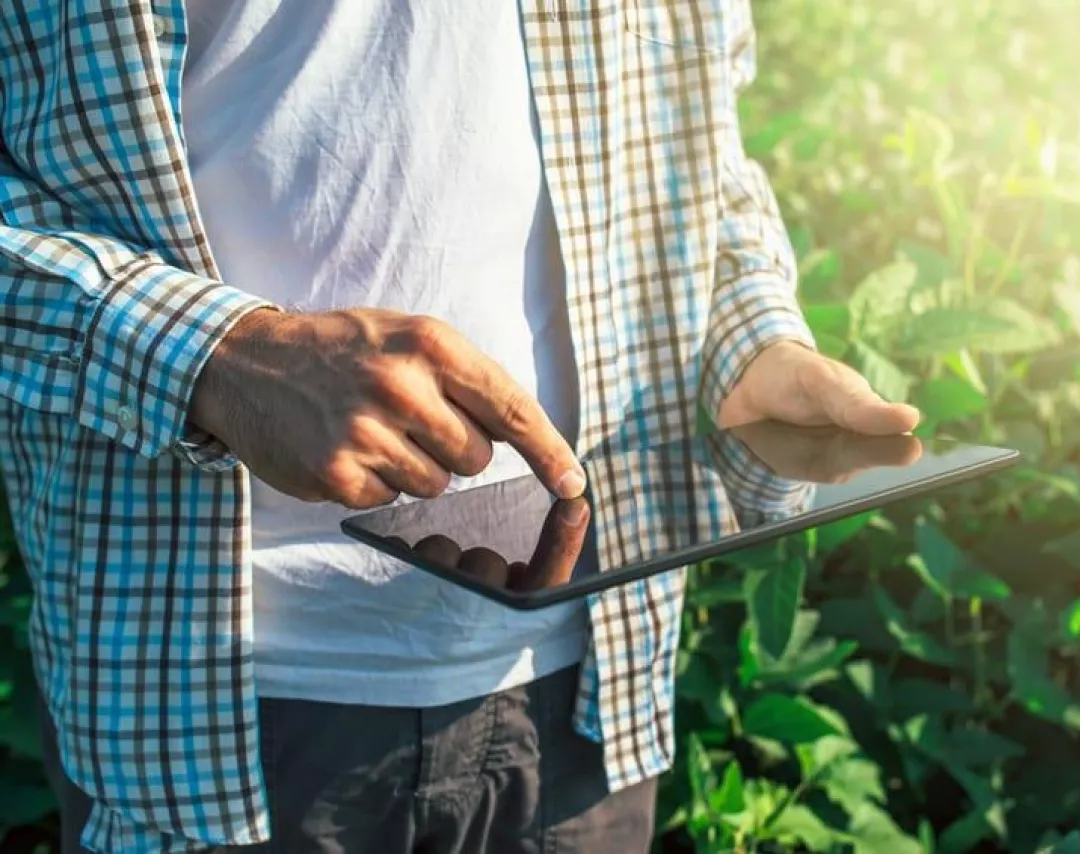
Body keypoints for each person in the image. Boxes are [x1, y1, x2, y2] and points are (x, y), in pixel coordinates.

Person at [0, 1, 920, 852]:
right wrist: (215, 357)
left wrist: (749, 340)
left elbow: (694, 146)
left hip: (590, 690)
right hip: (214, 712)